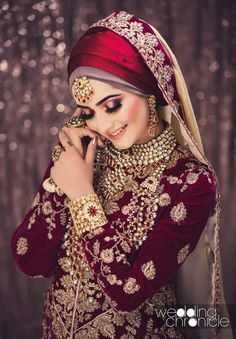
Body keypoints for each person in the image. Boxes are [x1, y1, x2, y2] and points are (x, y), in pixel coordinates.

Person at [11, 11, 229, 339]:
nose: (103, 125)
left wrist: (82, 195)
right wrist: (59, 180)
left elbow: (127, 293)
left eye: (111, 104)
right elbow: (30, 259)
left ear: (149, 89)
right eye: (88, 113)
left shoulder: (191, 182)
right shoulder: (84, 156)